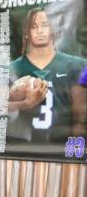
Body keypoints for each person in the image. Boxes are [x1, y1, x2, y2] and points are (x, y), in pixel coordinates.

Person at [7, 8, 87, 155]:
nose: (39, 31)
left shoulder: (76, 65)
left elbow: (80, 113)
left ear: (53, 28)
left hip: (64, 147)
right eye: (33, 26)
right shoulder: (12, 69)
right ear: (26, 32)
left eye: (45, 25)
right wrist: (24, 103)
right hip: (21, 148)